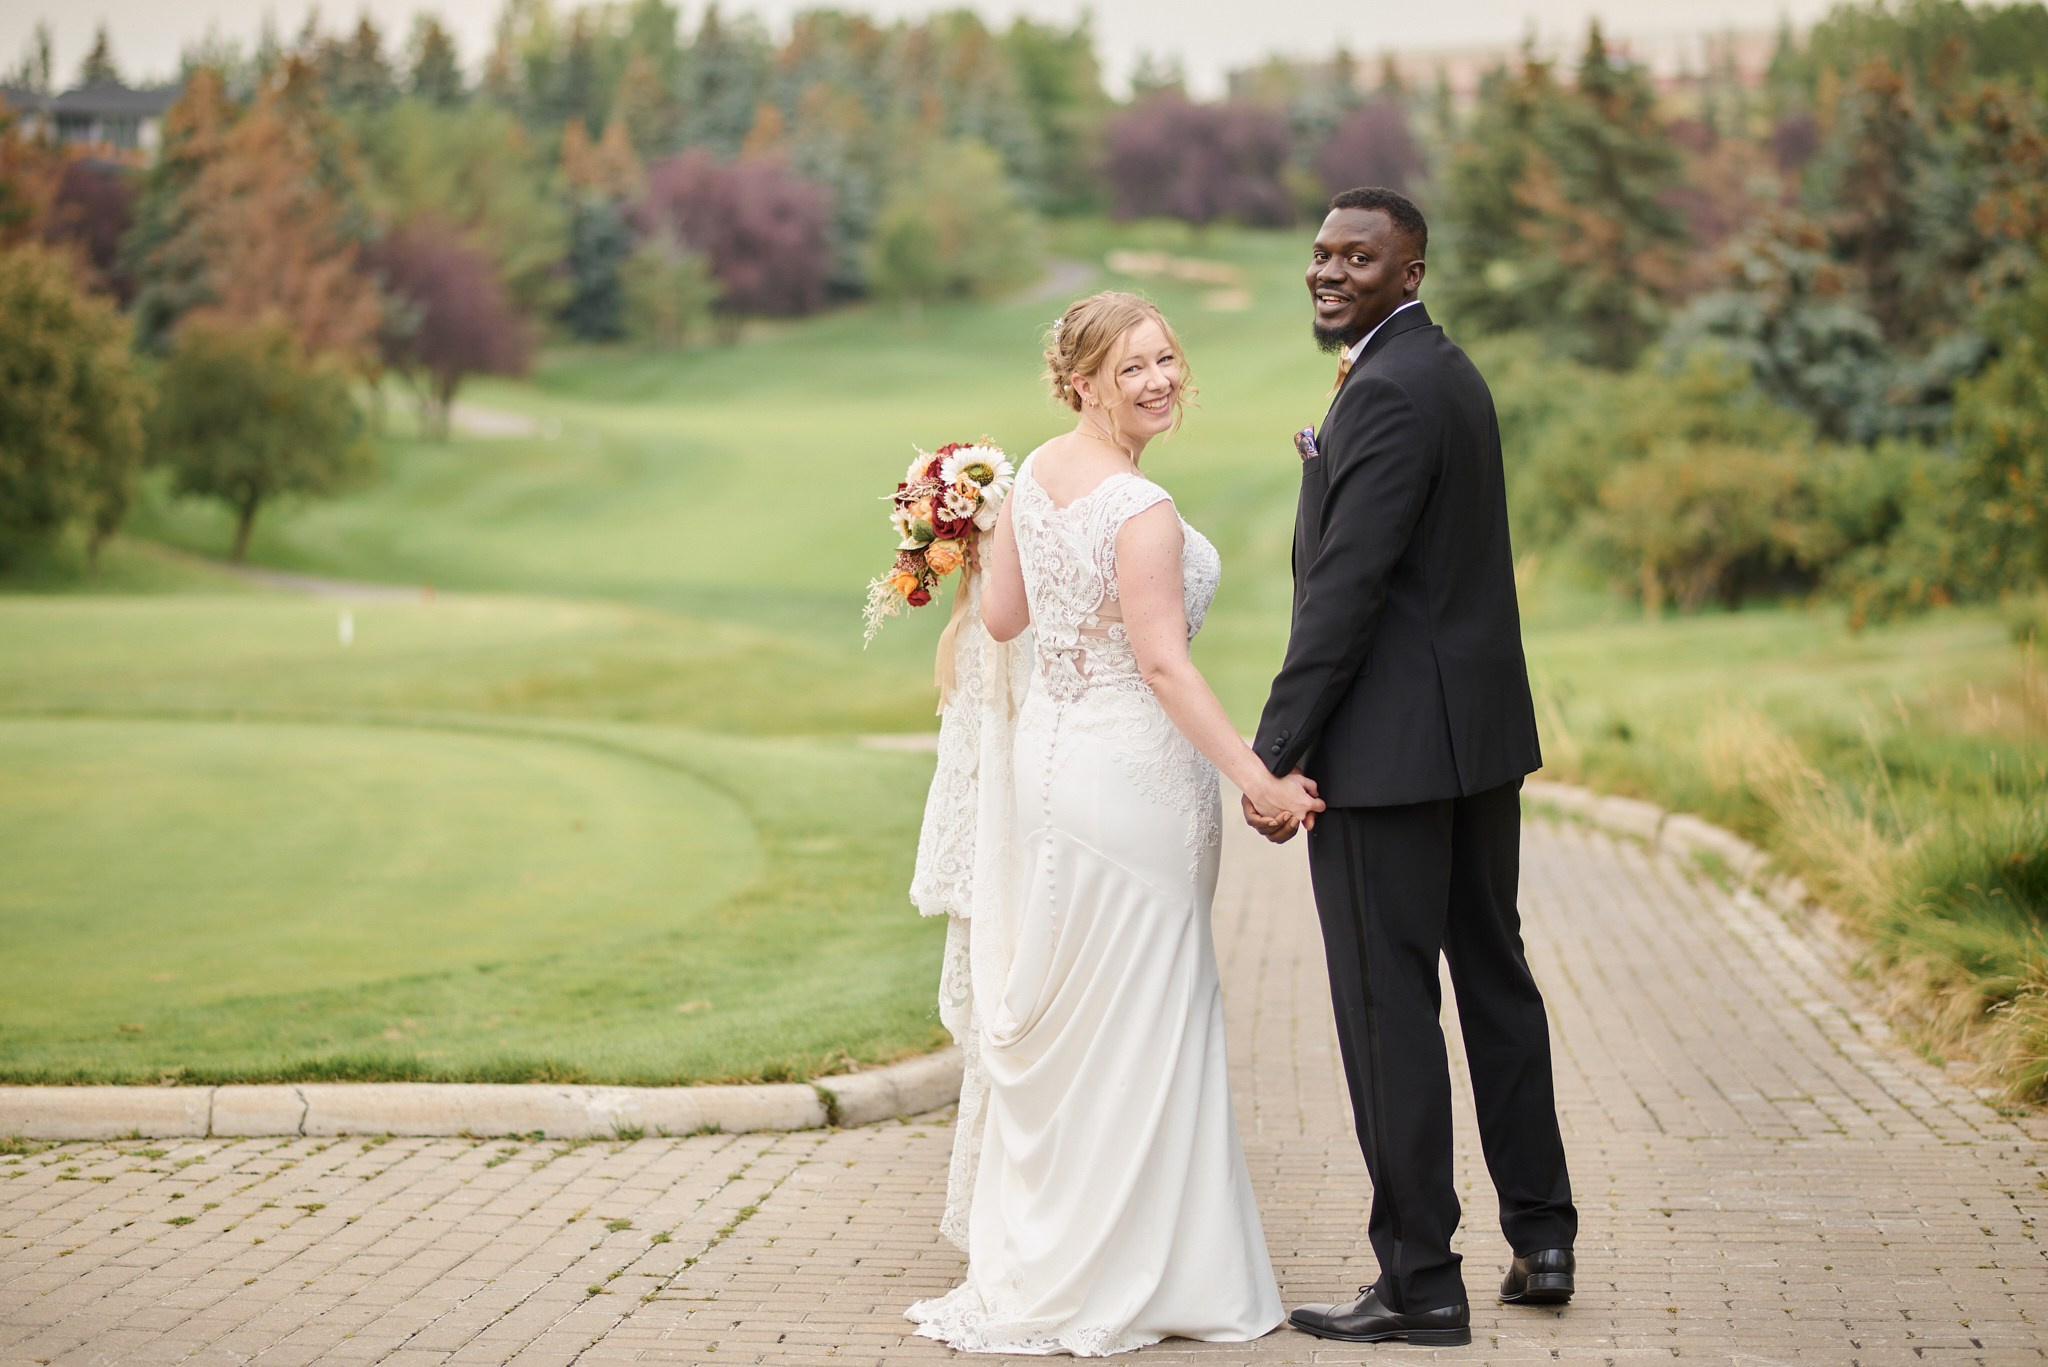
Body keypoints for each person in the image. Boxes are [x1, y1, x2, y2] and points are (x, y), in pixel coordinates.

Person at [906, 291, 1314, 1356]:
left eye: (1166, 358)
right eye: (1131, 366)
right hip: (1129, 778)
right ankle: (1143, 1267)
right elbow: (1164, 663)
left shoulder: (1032, 476)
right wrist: (1255, 777)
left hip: (1051, 762)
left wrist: (976, 530)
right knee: (1148, 1013)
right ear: (1079, 379)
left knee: (1088, 1013)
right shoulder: (1139, 507)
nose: (1159, 379)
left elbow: (1001, 619)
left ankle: (1062, 1248)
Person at [1243, 187, 1578, 1346]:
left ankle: (1419, 1280)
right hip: (1477, 745)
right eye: (1321, 252)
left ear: (1410, 269)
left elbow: (1345, 588)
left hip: (1386, 761)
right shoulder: (1444, 371)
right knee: (1494, 981)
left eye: (1357, 257)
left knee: (1390, 1012)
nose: (1327, 271)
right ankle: (1541, 1234)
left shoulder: (1385, 388)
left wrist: (1269, 752)